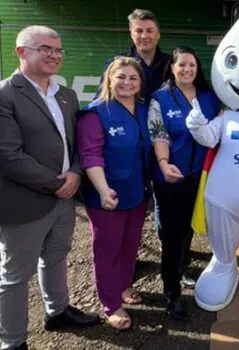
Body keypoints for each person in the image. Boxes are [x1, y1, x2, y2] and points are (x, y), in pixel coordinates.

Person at [0, 25, 100, 350]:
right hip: (25, 202)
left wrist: (75, 173)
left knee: (56, 257)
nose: (54, 56)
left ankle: (57, 311)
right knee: (15, 277)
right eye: (46, 49)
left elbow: (76, 142)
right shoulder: (5, 95)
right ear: (21, 52)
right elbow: (8, 156)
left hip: (65, 198)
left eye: (58, 50)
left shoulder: (65, 94)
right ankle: (13, 342)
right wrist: (58, 183)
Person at [77, 57, 151, 330]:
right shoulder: (96, 114)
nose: (127, 83)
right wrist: (103, 189)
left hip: (137, 193)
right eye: (120, 77)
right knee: (108, 250)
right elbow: (90, 156)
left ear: (140, 83)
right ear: (109, 79)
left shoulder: (144, 110)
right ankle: (111, 303)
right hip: (106, 196)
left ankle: (123, 286)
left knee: (130, 245)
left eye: (133, 78)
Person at [148, 46, 220, 321]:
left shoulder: (208, 97)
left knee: (189, 229)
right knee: (172, 235)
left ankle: (183, 267)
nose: (187, 70)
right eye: (182, 65)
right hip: (172, 178)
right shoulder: (160, 98)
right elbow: (159, 134)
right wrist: (164, 164)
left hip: (201, 177)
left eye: (192, 65)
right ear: (173, 68)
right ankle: (172, 292)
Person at [97, 8, 171, 101]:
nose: (144, 36)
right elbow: (101, 99)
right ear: (131, 34)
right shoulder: (115, 64)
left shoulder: (172, 64)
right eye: (139, 31)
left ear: (158, 34)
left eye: (149, 31)